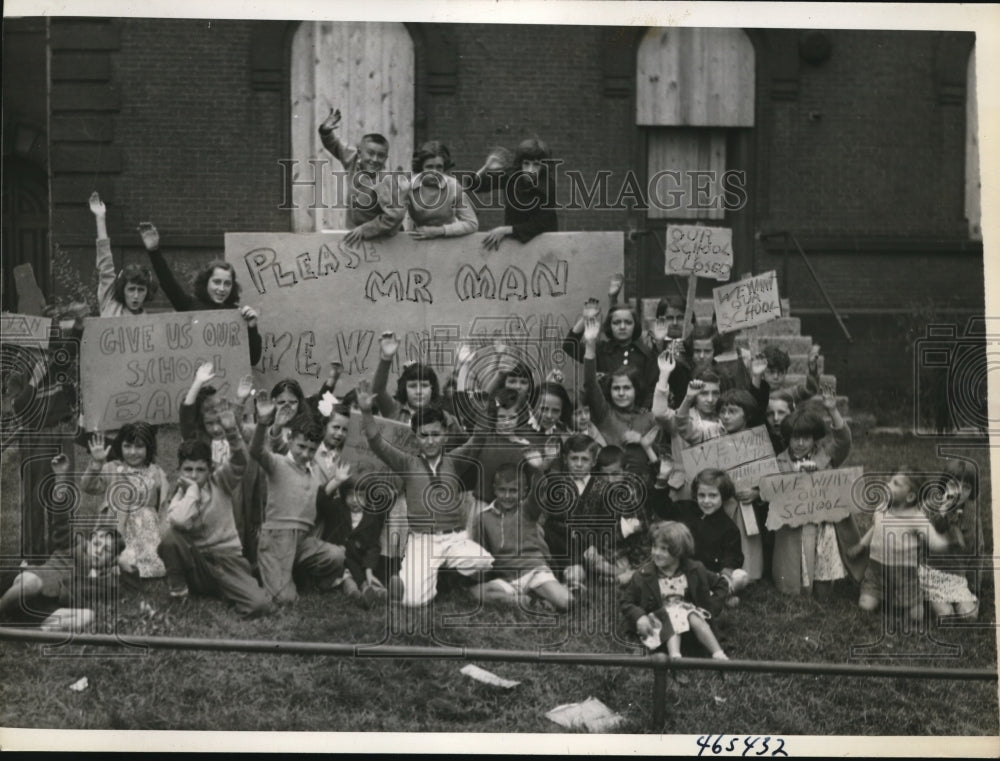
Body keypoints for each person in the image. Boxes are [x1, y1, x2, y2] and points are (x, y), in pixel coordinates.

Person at [357, 380, 492, 607]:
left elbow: (478, 438)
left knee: (483, 561)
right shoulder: (407, 463)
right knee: (413, 602)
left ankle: (440, 576)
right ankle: (394, 589)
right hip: (422, 541)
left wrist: (486, 403)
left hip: (453, 539)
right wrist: (366, 411)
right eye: (424, 435)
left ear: (445, 435)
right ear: (415, 437)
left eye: (436, 434)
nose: (430, 441)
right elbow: (377, 443)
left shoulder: (454, 460)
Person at [158, 422, 275, 618]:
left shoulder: (221, 481)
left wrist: (231, 431)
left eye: (200, 469)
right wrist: (193, 492)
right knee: (170, 537)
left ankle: (228, 589)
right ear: (179, 470)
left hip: (227, 560)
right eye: (188, 469)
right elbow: (179, 522)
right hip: (198, 565)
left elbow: (240, 460)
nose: (193, 475)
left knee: (259, 605)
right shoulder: (180, 494)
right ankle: (179, 592)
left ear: (210, 469)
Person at [250, 393, 345, 604]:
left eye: (311, 450)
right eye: (301, 447)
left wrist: (337, 481)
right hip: (277, 540)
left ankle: (298, 575)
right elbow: (256, 450)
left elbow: (321, 498)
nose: (305, 454)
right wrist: (263, 424)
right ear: (290, 439)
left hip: (303, 541)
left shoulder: (312, 474)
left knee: (337, 556)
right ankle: (265, 569)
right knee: (285, 600)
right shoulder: (277, 464)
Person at [770, 387, 865, 596]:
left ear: (815, 439)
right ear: (788, 438)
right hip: (795, 529)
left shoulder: (826, 457)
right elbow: (775, 494)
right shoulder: (780, 462)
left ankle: (826, 587)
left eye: (806, 438)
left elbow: (843, 441)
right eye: (795, 438)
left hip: (825, 525)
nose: (800, 443)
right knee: (798, 575)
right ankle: (799, 586)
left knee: (824, 580)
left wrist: (832, 410)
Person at [0, 470, 124, 623]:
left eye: (107, 550)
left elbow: (124, 588)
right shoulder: (72, 547)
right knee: (33, 583)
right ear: (90, 540)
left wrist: (122, 562)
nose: (98, 551)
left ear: (112, 560)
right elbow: (61, 522)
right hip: (24, 585)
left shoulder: (102, 582)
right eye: (97, 544)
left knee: (87, 616)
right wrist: (61, 478)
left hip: (47, 605)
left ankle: (31, 631)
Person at [138, 222, 262, 365]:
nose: (221, 289)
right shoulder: (189, 305)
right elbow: (168, 283)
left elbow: (253, 359)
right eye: (216, 282)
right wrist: (154, 251)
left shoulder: (237, 316)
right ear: (206, 282)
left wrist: (252, 327)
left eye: (227, 284)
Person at [849, 470, 949, 622]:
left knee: (916, 617)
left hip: (905, 576)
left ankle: (920, 595)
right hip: (877, 572)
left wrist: (948, 543)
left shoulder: (916, 518)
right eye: (890, 480)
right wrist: (862, 545)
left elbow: (934, 542)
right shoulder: (882, 507)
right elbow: (876, 528)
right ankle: (881, 594)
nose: (888, 485)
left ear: (910, 496)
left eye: (895, 483)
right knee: (865, 606)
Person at [620, 521, 729, 659]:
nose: (657, 553)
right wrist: (640, 616)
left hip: (690, 627)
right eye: (654, 547)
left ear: (679, 551)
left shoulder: (695, 569)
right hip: (657, 627)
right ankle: (675, 657)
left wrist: (710, 607)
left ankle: (718, 654)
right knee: (675, 612)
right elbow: (626, 601)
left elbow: (721, 584)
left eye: (664, 549)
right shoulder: (643, 575)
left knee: (690, 614)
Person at [472, 465, 572, 612]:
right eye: (502, 490)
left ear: (523, 492)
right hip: (508, 579)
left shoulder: (527, 510)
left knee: (567, 602)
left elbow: (539, 491)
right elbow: (483, 555)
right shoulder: (483, 518)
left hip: (533, 572)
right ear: (494, 489)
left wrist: (539, 469)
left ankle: (560, 591)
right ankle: (527, 601)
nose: (507, 496)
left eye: (513, 491)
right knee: (476, 592)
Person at [81, 423, 169, 579]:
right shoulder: (112, 468)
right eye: (127, 446)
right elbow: (88, 486)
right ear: (119, 446)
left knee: (147, 563)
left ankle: (133, 566)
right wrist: (96, 464)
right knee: (107, 554)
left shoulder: (156, 472)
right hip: (116, 529)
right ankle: (111, 563)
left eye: (139, 447)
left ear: (149, 447)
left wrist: (165, 534)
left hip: (146, 532)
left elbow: (163, 508)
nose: (133, 452)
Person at [648, 468, 747, 599]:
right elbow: (662, 507)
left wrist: (726, 574)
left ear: (723, 496)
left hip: (707, 575)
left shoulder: (729, 528)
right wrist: (661, 481)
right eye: (702, 495)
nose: (706, 501)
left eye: (713, 495)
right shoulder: (686, 509)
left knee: (737, 576)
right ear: (695, 494)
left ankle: (721, 591)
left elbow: (732, 558)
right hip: (678, 568)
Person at [317, 107, 405, 245]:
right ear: (359, 153)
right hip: (359, 238)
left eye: (381, 156)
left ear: (386, 158)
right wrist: (325, 131)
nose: (375, 159)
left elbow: (395, 215)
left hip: (388, 242)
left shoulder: (386, 180)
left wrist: (366, 229)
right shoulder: (352, 160)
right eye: (370, 153)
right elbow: (335, 145)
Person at [580, 315, 658, 450]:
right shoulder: (604, 412)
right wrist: (590, 343)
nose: (621, 393)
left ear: (636, 390)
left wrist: (641, 440)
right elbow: (590, 382)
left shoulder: (649, 418)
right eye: (616, 388)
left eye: (627, 388)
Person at [563, 299, 659, 409]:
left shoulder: (645, 353)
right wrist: (585, 319)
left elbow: (652, 387)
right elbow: (569, 346)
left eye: (628, 322)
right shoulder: (601, 350)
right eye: (616, 322)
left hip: (637, 414)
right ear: (609, 325)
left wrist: (644, 409)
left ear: (635, 325)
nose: (622, 327)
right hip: (605, 414)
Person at [468, 138, 558, 250]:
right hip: (514, 243)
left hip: (543, 243)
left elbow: (540, 224)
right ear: (520, 164)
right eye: (526, 164)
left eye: (536, 165)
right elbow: (474, 185)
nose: (530, 170)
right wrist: (486, 167)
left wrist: (506, 230)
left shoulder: (548, 186)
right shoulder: (511, 176)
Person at [919, 466, 979, 621]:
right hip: (932, 573)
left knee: (970, 615)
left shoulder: (970, 516)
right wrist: (942, 513)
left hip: (956, 576)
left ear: (972, 492)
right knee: (945, 615)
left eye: (966, 487)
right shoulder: (931, 507)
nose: (959, 492)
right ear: (944, 484)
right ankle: (928, 599)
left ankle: (962, 601)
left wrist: (973, 584)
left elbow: (972, 550)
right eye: (954, 484)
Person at [90, 192, 157, 317]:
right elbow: (105, 265)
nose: (136, 296)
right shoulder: (110, 302)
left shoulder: (148, 322)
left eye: (141, 290)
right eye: (131, 289)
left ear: (147, 292)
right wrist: (100, 218)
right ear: (123, 290)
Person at [404, 141, 478, 239]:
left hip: (447, 238)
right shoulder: (408, 186)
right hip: (418, 237)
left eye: (439, 167)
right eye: (429, 167)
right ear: (421, 167)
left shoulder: (453, 186)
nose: (435, 172)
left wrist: (440, 231)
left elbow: (472, 223)